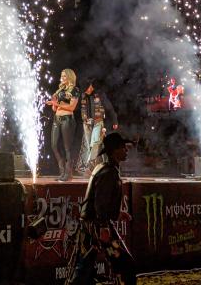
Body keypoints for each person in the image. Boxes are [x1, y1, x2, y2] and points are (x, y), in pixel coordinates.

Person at [68, 131, 135, 285]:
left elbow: (100, 201)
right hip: (96, 226)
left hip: (90, 225)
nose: (126, 150)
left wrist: (118, 213)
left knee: (84, 268)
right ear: (115, 151)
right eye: (123, 147)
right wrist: (104, 227)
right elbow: (100, 203)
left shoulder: (103, 168)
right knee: (125, 265)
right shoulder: (109, 172)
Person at [78, 79, 118, 176]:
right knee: (89, 146)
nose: (87, 90)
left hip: (98, 122)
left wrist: (114, 120)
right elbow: (79, 109)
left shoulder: (100, 95)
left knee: (95, 143)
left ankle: (90, 165)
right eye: (85, 89)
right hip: (87, 124)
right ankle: (90, 168)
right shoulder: (83, 96)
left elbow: (109, 107)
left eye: (88, 88)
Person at [47, 69, 80, 181]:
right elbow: (54, 108)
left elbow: (72, 107)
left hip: (67, 119)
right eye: (62, 76)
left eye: (65, 76)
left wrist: (57, 104)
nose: (62, 78)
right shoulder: (59, 90)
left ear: (70, 77)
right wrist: (53, 103)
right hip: (57, 118)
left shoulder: (75, 90)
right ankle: (62, 171)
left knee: (67, 147)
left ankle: (68, 173)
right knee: (54, 145)